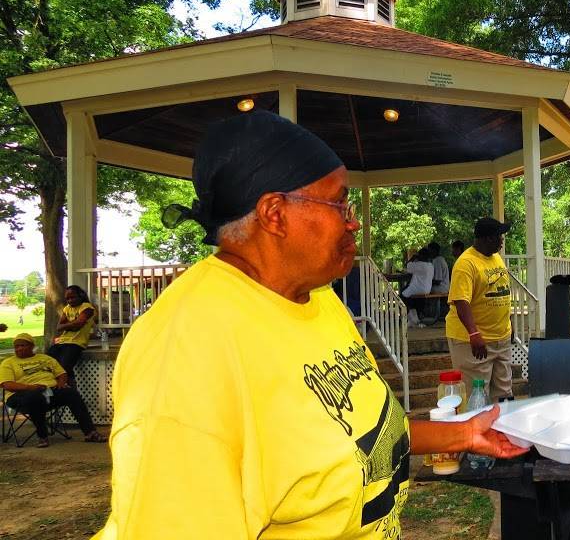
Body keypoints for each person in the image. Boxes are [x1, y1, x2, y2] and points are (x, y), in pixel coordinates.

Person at [92, 111, 524, 540]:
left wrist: (463, 433)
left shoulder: (319, 299)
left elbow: (362, 433)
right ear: (275, 213)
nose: (353, 220)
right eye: (339, 202)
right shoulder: (186, 349)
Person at [446, 217, 514, 402]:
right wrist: (474, 333)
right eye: (499, 236)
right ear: (487, 239)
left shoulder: (496, 258)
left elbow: (501, 293)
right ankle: (476, 431)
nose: (502, 241)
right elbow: (461, 302)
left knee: (504, 395)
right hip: (474, 342)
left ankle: (500, 430)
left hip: (501, 339)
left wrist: (509, 326)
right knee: (477, 397)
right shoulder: (466, 263)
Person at [0, 333, 107, 448]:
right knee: (35, 397)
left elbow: (62, 373)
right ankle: (42, 436)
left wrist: (61, 383)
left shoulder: (45, 358)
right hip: (20, 396)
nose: (19, 348)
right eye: (17, 346)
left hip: (49, 392)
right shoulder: (8, 363)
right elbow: (8, 385)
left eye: (23, 345)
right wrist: (31, 387)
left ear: (31, 346)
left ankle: (90, 432)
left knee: (71, 393)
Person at [47, 284, 96, 382]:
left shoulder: (87, 307)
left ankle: (68, 389)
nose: (70, 301)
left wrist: (69, 324)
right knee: (49, 363)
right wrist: (72, 324)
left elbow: (79, 323)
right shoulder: (67, 308)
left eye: (72, 297)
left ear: (81, 296)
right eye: (67, 299)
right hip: (62, 341)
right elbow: (59, 327)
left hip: (76, 343)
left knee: (64, 367)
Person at [402, 248, 434, 327]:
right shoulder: (430, 265)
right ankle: (413, 318)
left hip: (418, 288)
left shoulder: (419, 264)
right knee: (410, 298)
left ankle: (411, 317)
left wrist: (412, 259)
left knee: (402, 296)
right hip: (427, 289)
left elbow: (408, 267)